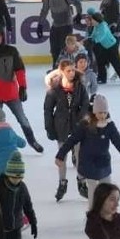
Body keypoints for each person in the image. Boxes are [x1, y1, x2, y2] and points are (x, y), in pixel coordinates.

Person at [55, 95, 120, 208]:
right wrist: (60, 155)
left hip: (103, 163)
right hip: (89, 164)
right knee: (93, 191)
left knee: (107, 190)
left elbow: (119, 142)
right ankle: (93, 214)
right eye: (100, 112)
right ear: (94, 112)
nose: (103, 115)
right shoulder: (86, 125)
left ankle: (107, 213)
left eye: (104, 112)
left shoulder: (109, 126)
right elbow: (72, 140)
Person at [0, 25, 44, 153]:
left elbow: (19, 70)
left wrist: (23, 87)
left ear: (3, 37)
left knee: (22, 118)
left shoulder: (12, 51)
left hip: (11, 93)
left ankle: (32, 141)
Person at [44, 59, 90, 200]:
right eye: (68, 70)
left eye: (72, 70)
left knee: (79, 154)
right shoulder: (55, 88)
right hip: (61, 126)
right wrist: (49, 128)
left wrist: (82, 120)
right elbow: (48, 109)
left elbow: (85, 104)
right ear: (62, 71)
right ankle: (62, 183)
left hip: (77, 126)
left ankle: (81, 182)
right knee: (62, 156)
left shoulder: (80, 86)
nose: (71, 73)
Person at [37, 0, 82, 67]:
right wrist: (40, 24)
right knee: (54, 48)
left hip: (66, 25)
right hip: (56, 25)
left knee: (64, 47)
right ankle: (55, 67)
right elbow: (44, 10)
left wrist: (79, 14)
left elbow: (77, 2)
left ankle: (66, 67)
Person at [85, 8, 120, 85]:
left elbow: (100, 37)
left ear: (96, 20)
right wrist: (88, 39)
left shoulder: (103, 26)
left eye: (92, 20)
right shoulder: (96, 26)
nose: (91, 21)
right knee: (100, 62)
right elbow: (93, 35)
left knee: (115, 62)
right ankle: (102, 78)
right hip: (104, 46)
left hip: (112, 46)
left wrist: (92, 41)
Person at [99, 0, 120, 83]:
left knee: (114, 53)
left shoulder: (114, 1)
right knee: (107, 52)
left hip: (114, 31)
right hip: (106, 30)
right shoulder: (104, 0)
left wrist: (113, 26)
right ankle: (106, 70)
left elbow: (116, 15)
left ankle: (119, 71)